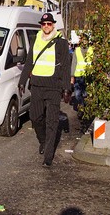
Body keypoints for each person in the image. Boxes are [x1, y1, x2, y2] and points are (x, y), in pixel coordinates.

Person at [18, 13, 71, 167]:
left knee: (52, 122)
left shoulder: (61, 42)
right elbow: (29, 63)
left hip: (54, 87)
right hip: (37, 86)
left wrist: (67, 88)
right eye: (44, 24)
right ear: (41, 25)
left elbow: (66, 67)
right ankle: (43, 141)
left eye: (49, 23)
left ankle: (48, 157)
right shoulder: (35, 40)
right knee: (35, 118)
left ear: (53, 25)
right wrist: (22, 82)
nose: (46, 26)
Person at [70, 33, 93, 112]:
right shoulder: (77, 50)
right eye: (82, 40)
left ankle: (84, 109)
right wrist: (72, 76)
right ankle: (82, 105)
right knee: (77, 95)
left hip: (88, 76)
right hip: (78, 76)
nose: (84, 42)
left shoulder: (91, 50)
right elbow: (74, 63)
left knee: (86, 94)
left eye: (85, 40)